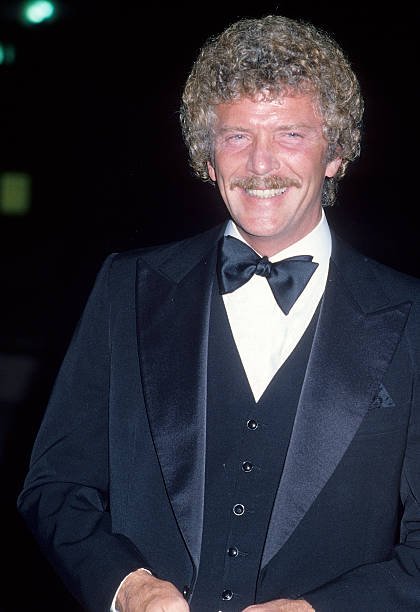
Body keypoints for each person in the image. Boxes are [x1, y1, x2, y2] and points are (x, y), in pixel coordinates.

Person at [17, 13, 420, 612]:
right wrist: (127, 587)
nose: (260, 165)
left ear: (335, 154)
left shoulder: (411, 317)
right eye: (236, 137)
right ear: (208, 158)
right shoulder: (126, 286)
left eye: (290, 134)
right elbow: (55, 486)